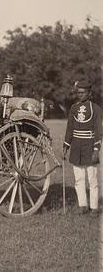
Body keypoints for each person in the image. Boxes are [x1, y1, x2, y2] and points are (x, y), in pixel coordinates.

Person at [63, 79, 102, 216]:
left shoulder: (96, 109)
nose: (80, 95)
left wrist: (97, 149)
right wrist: (66, 145)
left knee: (92, 179)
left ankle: (94, 207)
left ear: (89, 93)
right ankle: (83, 205)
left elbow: (98, 130)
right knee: (78, 179)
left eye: (83, 92)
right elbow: (70, 129)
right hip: (76, 147)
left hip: (90, 146)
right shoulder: (73, 108)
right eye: (78, 93)